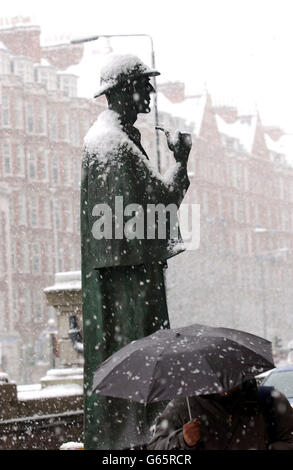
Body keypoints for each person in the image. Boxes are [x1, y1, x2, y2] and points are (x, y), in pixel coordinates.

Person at [81, 53, 192, 449]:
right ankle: (137, 442)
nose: (149, 94)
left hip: (129, 273)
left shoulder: (117, 139)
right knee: (140, 355)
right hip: (128, 280)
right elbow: (154, 206)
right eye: (143, 86)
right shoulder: (112, 144)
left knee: (141, 358)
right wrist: (180, 162)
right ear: (123, 90)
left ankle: (140, 436)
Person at [147, 378, 293, 450]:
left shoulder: (269, 400)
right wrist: (182, 440)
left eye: (230, 372)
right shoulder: (184, 405)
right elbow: (155, 448)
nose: (224, 379)